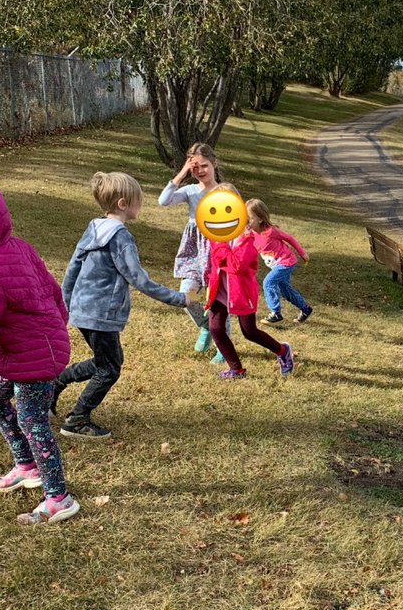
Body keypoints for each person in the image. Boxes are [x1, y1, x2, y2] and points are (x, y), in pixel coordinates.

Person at [54, 172, 191, 439]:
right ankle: (77, 419)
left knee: (103, 361)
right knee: (110, 368)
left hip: (83, 311)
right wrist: (179, 298)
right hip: (101, 314)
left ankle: (57, 381)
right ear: (122, 203)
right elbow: (140, 280)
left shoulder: (94, 227)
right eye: (138, 200)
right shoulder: (121, 237)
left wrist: (66, 304)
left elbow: (72, 268)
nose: (141, 204)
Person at [0, 177, 79, 525]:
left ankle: (58, 497)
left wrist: (46, 339)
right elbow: (54, 292)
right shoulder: (17, 246)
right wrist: (55, 327)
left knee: (33, 420)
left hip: (34, 355)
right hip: (27, 348)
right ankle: (27, 465)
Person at [205, 186, 295, 380]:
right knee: (215, 328)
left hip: (241, 292)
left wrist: (221, 249)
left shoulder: (249, 238)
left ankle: (282, 351)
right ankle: (236, 369)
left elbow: (236, 265)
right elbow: (216, 259)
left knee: (249, 332)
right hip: (220, 290)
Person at [158, 143, 225, 364]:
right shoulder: (190, 191)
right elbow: (163, 201)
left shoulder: (225, 191)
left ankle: (223, 346)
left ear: (214, 163)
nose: (201, 171)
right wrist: (182, 173)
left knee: (217, 301)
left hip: (217, 249)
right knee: (187, 295)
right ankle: (206, 327)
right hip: (194, 250)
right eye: (195, 168)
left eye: (204, 166)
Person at [245, 198, 313, 325]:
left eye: (250, 218)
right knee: (286, 291)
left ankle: (275, 313)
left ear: (260, 219)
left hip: (286, 262)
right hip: (277, 265)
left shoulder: (271, 231)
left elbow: (290, 238)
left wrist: (302, 253)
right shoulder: (252, 234)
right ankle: (305, 309)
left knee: (268, 282)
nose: (247, 221)